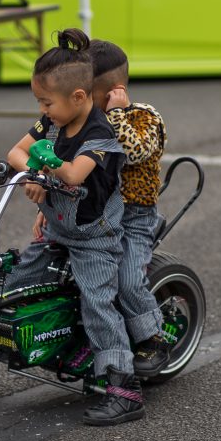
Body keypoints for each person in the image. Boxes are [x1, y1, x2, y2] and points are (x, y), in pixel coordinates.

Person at [5, 28, 145, 426]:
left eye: (46, 102)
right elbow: (16, 152)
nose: (43, 109)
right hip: (55, 229)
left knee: (98, 301)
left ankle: (124, 387)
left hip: (93, 238)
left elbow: (73, 175)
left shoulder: (102, 135)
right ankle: (12, 347)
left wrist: (44, 166)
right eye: (40, 102)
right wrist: (32, 170)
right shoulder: (51, 123)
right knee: (17, 280)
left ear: (79, 98)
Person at [87, 39, 170, 376]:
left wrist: (117, 114)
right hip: (98, 214)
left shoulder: (143, 118)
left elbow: (132, 151)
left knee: (127, 279)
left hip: (135, 218)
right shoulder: (90, 121)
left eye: (87, 93)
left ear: (114, 92)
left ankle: (153, 338)